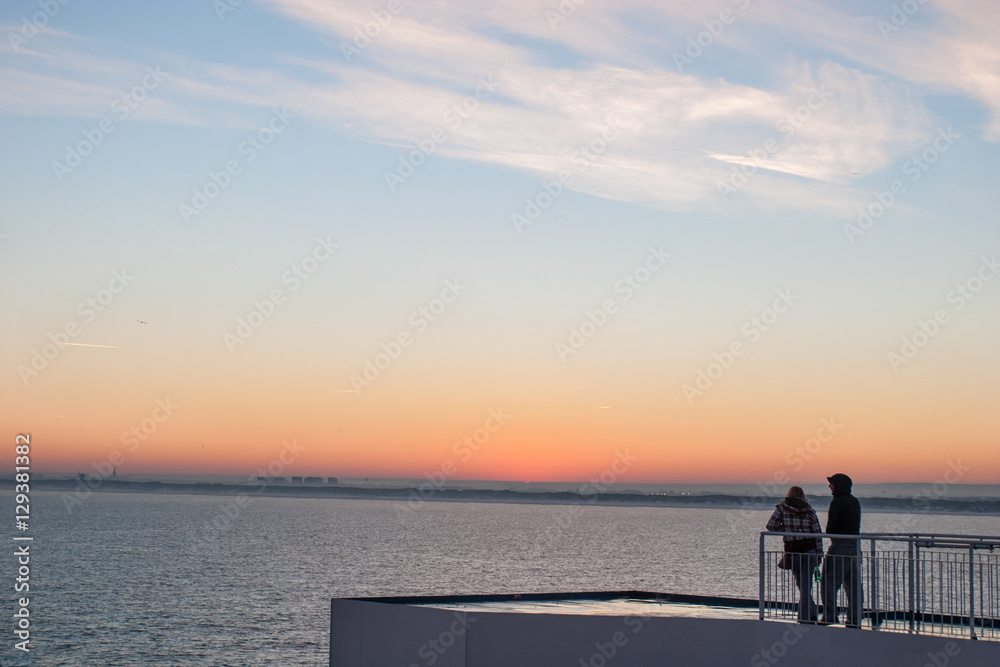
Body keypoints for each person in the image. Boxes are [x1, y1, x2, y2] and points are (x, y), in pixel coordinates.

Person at [766, 485, 823, 623]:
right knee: (805, 586)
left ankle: (804, 618)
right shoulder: (809, 511)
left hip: (794, 552)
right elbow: (817, 533)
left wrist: (785, 529)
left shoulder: (782, 508)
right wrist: (819, 554)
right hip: (809, 551)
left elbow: (770, 526)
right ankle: (811, 613)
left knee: (801, 585)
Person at [821, 473, 863, 627]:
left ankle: (830, 615)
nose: (829, 486)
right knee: (854, 585)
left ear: (837, 485)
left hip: (839, 547)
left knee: (828, 582)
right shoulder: (855, 502)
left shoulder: (836, 502)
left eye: (831, 484)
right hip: (855, 547)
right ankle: (855, 617)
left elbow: (830, 529)